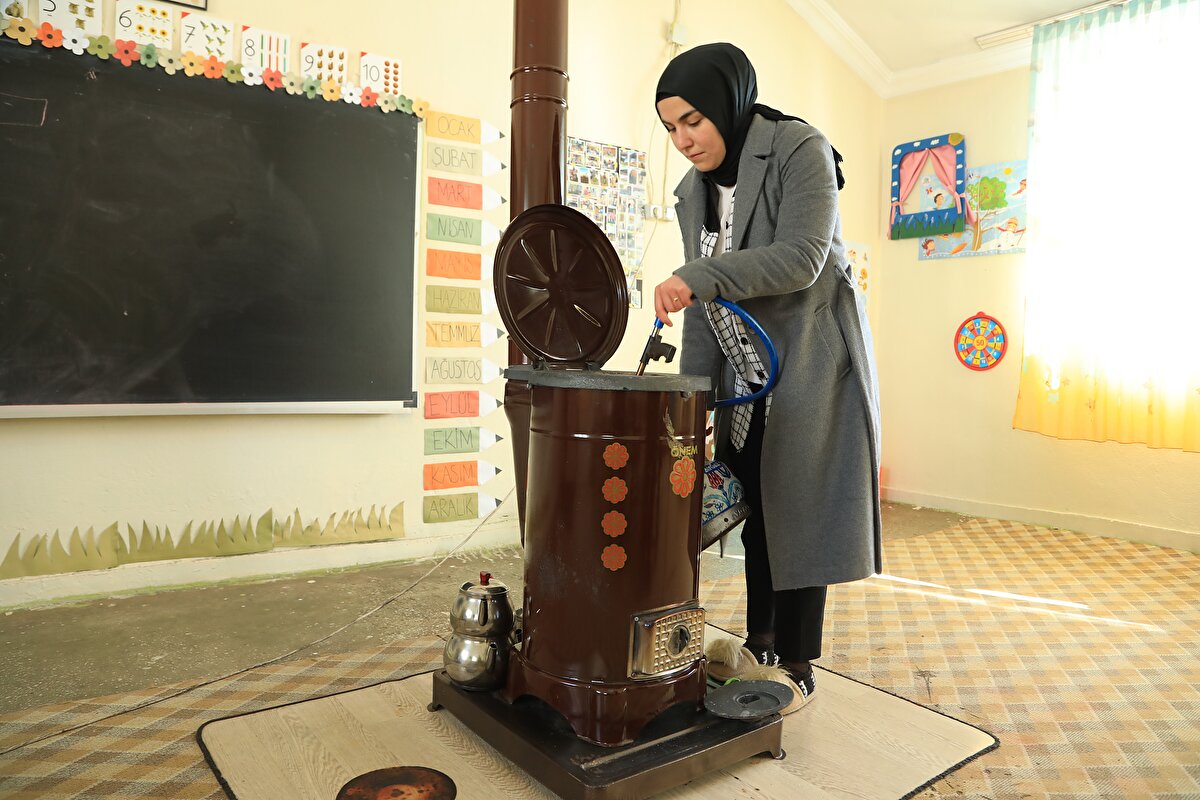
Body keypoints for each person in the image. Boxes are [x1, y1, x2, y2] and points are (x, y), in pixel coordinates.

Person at [653, 43, 881, 709]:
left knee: (798, 514)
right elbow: (702, 309)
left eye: (692, 120)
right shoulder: (691, 193)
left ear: (727, 101)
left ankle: (797, 659)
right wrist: (690, 406)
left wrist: (696, 277)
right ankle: (762, 645)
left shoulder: (797, 148)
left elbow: (803, 259)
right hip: (743, 377)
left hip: (811, 365)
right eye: (670, 128)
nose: (683, 139)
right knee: (755, 510)